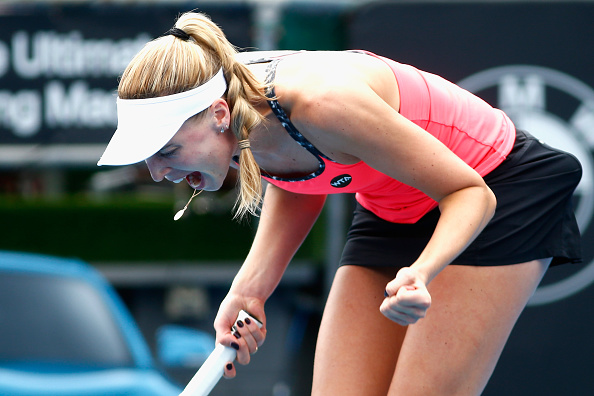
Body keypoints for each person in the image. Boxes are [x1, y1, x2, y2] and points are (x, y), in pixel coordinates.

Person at [97, 11, 583, 396]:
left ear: (219, 114)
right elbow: (300, 178)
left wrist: (421, 270)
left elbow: (470, 193)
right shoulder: (239, 111)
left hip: (498, 188)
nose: (159, 173)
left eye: (168, 150)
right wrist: (249, 291)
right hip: (393, 203)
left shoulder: (321, 103)